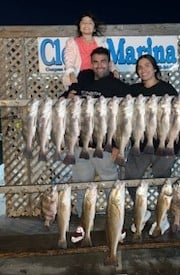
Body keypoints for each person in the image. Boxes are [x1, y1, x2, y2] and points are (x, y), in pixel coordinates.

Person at [62, 47, 131, 243]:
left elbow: (124, 120)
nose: (99, 65)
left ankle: (118, 223)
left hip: (106, 146)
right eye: (95, 62)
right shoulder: (83, 79)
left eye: (103, 61)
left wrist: (119, 144)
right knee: (82, 186)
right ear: (90, 63)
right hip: (80, 144)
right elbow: (63, 99)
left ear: (109, 63)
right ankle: (83, 224)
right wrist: (67, 98)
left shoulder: (118, 86)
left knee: (111, 186)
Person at [124, 54, 180, 233]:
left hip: (165, 145)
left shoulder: (167, 89)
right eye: (139, 67)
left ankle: (162, 218)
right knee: (131, 177)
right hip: (140, 145)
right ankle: (144, 212)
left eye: (147, 65)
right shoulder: (133, 91)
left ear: (155, 68)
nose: (143, 70)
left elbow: (177, 118)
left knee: (162, 181)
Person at [62, 11, 119, 91]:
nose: (86, 25)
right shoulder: (72, 42)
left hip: (98, 75)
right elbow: (69, 61)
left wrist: (114, 70)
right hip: (81, 76)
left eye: (90, 23)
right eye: (83, 23)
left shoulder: (100, 42)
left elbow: (107, 59)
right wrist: (71, 74)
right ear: (79, 26)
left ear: (94, 28)